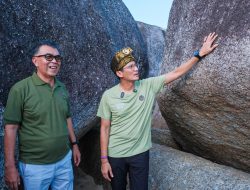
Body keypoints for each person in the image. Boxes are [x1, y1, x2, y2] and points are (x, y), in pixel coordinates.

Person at [97, 32, 218, 190]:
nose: (136, 69)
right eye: (130, 66)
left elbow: (176, 73)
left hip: (140, 154)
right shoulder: (109, 95)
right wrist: (104, 160)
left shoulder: (148, 85)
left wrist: (199, 54)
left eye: (135, 64)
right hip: (115, 155)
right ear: (119, 73)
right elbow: (104, 128)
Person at [3, 40, 81, 190]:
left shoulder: (62, 88)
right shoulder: (20, 90)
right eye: (48, 57)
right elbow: (10, 129)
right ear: (35, 61)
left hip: (64, 160)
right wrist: (10, 166)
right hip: (35, 167)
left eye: (58, 58)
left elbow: (67, 117)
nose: (54, 62)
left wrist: (75, 145)